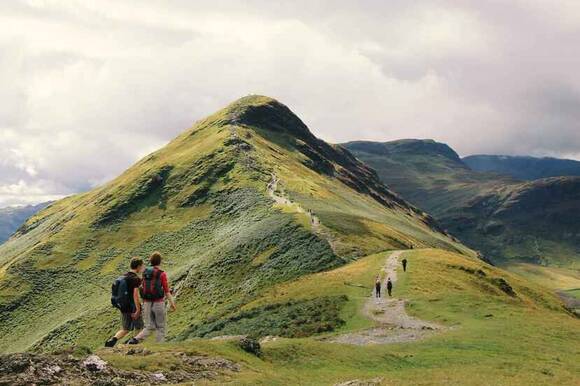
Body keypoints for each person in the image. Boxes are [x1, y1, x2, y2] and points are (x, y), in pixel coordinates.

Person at [128, 252, 176, 344]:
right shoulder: (161, 274)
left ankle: (134, 340)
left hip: (146, 303)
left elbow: (142, 287)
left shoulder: (144, 272)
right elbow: (166, 291)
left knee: (149, 327)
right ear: (160, 262)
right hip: (158, 303)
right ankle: (159, 347)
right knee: (160, 327)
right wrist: (172, 303)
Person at [105, 257, 145, 347]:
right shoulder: (135, 279)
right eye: (142, 266)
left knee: (125, 328)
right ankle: (133, 345)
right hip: (133, 307)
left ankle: (112, 340)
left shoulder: (123, 276)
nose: (143, 268)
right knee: (139, 327)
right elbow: (135, 295)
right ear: (138, 267)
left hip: (124, 307)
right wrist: (138, 309)